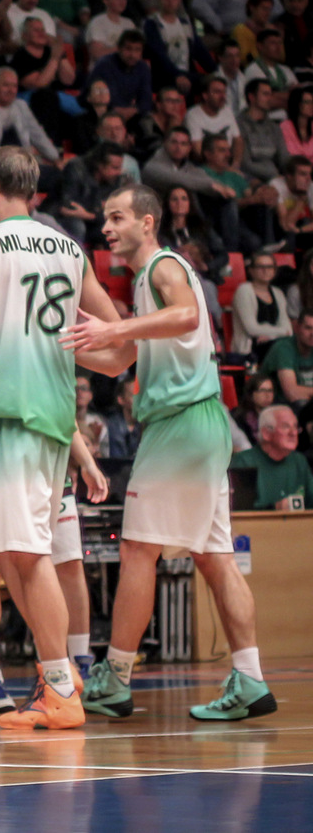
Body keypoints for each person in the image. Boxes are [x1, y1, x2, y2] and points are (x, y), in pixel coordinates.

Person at [63, 183, 278, 722]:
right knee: (215, 557)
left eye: (117, 217)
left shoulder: (164, 266)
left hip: (180, 426)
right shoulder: (145, 282)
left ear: (147, 223)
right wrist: (60, 350)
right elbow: (121, 361)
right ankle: (251, 679)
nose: (106, 227)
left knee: (138, 550)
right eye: (105, 218)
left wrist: (114, 326)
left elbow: (186, 316)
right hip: (200, 425)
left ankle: (114, 678)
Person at [0, 146, 120, 730]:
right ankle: (57, 674)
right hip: (55, 419)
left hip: (12, 418)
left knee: (28, 554)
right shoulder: (71, 249)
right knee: (8, 552)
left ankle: (61, 688)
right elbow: (119, 344)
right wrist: (64, 353)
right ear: (37, 192)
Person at [230, 406, 313, 509]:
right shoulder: (243, 461)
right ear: (266, 433)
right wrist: (274, 508)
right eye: (285, 426)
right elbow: (239, 510)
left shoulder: (299, 461)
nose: (293, 433)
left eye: (296, 427)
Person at [232, 252, 292, 359]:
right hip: (250, 349)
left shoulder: (278, 293)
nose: (265, 270)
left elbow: (288, 329)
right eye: (260, 267)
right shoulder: (244, 291)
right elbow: (251, 329)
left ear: (274, 270)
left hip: (274, 343)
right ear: (251, 270)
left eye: (269, 267)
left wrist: (270, 336)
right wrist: (279, 333)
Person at [262, 313, 313, 408]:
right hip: (277, 408)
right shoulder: (283, 348)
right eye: (308, 328)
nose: (312, 334)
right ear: (297, 328)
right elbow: (292, 393)